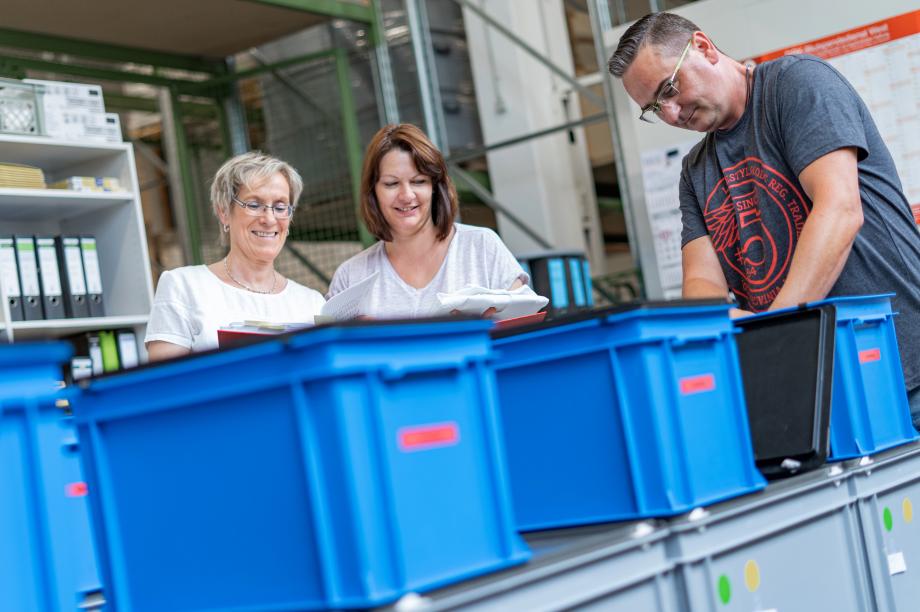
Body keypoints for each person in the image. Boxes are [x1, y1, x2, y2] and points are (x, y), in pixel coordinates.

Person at [608, 12, 920, 424]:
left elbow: (839, 209)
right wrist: (733, 323)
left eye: (670, 88)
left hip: (904, 370)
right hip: (815, 397)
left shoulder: (796, 84)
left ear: (702, 47)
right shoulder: (695, 171)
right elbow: (701, 283)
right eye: (653, 107)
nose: (670, 113)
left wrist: (782, 331)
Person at [327, 123, 533, 318]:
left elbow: (526, 327)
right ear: (373, 193)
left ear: (436, 187)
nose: (406, 195)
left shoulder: (482, 247)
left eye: (418, 181)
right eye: (391, 184)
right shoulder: (351, 276)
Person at [145, 152, 325, 360]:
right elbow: (166, 385)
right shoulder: (183, 286)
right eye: (254, 204)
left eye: (280, 207)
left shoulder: (312, 303)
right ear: (223, 212)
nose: (269, 218)